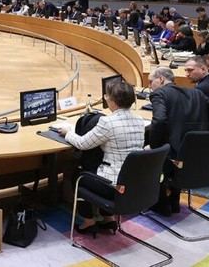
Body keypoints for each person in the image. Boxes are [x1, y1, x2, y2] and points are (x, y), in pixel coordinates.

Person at [58, 80, 145, 234]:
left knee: (79, 175)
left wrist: (68, 133)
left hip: (113, 185)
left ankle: (88, 220)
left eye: (107, 96)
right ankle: (108, 218)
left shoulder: (107, 122)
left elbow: (82, 144)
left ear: (112, 101)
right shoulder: (139, 120)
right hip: (133, 183)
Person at [147, 67, 209, 215]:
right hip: (199, 154)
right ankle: (173, 200)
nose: (149, 86)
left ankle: (161, 203)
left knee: (148, 152)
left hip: (175, 156)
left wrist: (154, 147)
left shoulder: (159, 93)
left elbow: (159, 121)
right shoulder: (196, 93)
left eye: (150, 81)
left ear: (160, 79)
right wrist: (207, 134)